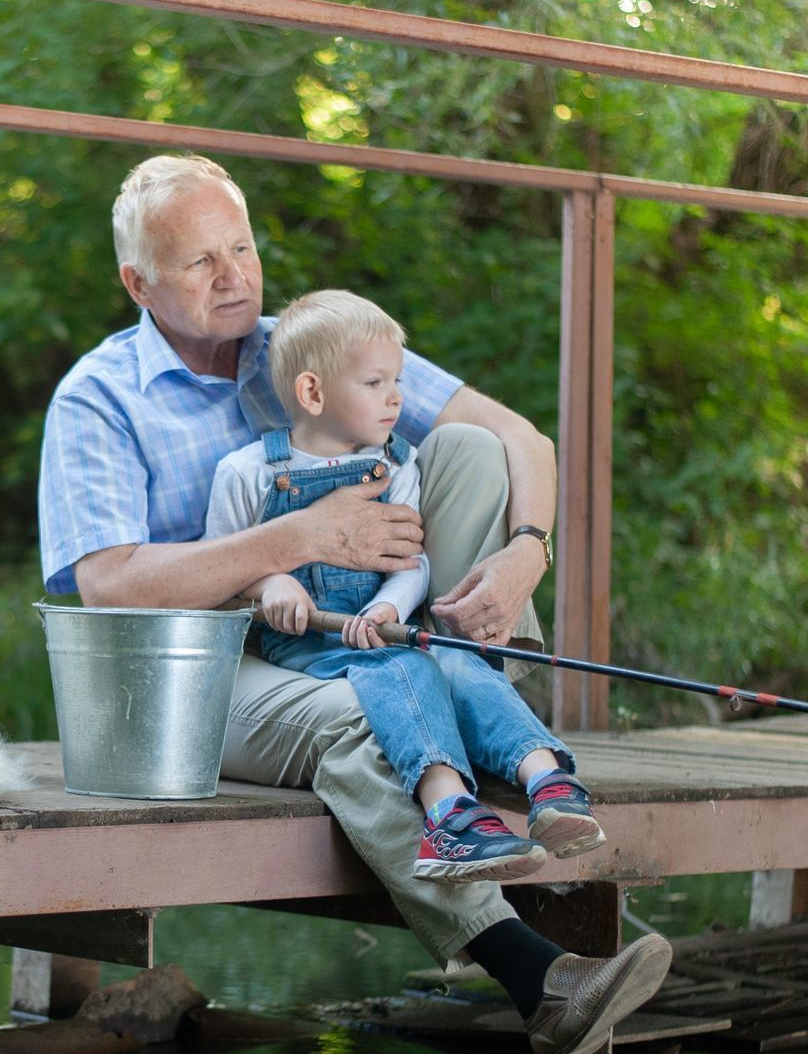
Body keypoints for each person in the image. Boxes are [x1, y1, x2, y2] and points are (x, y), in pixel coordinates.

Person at [37, 154, 669, 1054]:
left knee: (465, 450)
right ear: (138, 282)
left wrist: (527, 553)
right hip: (201, 680)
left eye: (242, 248)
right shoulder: (96, 398)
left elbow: (521, 438)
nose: (235, 277)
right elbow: (108, 585)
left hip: (372, 626)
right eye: (199, 263)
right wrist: (298, 539)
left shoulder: (311, 348)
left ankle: (471, 666)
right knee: (371, 716)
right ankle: (541, 979)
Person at [204, 289, 610, 887]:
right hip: (307, 648)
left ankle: (546, 779)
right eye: (375, 383)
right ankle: (448, 814)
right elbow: (225, 566)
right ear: (312, 393)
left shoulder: (397, 467)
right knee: (407, 674)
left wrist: (386, 607)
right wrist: (273, 582)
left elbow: (411, 560)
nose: (396, 396)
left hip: (380, 626)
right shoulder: (247, 472)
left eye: (396, 380)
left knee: (459, 661)